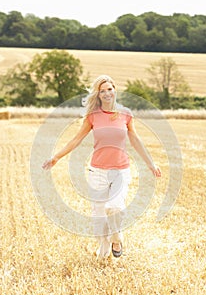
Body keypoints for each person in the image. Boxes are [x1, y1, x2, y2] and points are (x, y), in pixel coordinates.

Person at [42, 75, 161, 259]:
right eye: (102, 90)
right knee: (98, 216)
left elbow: (135, 139)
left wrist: (150, 163)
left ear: (115, 91)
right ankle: (103, 251)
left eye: (109, 89)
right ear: (97, 95)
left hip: (120, 170)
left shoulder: (126, 114)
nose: (106, 93)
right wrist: (56, 157)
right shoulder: (92, 116)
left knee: (114, 207)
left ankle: (117, 238)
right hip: (97, 171)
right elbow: (76, 139)